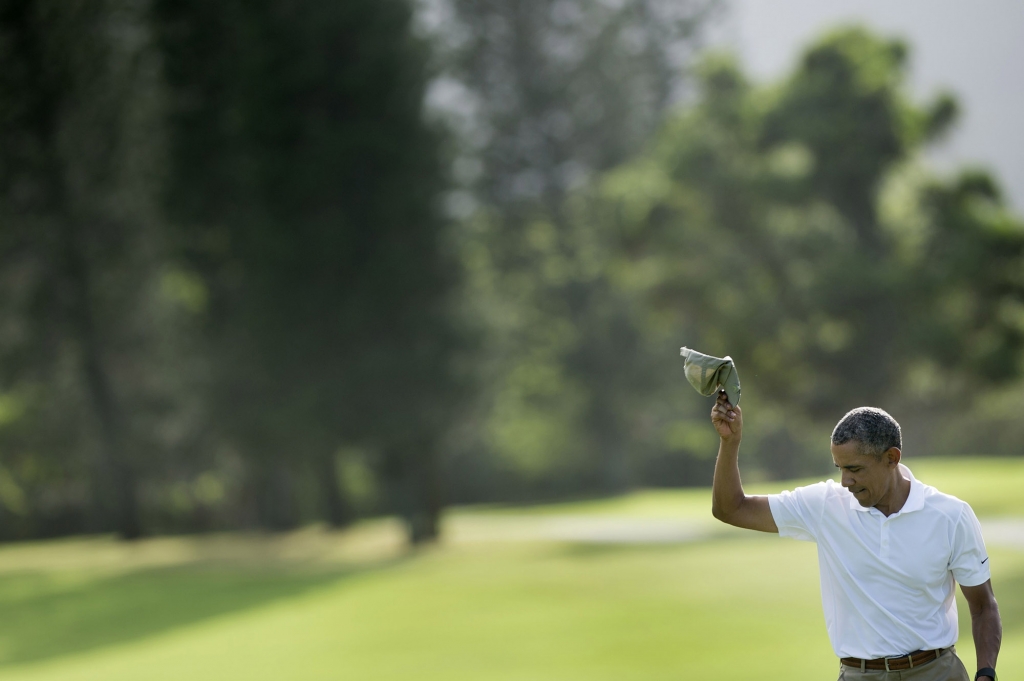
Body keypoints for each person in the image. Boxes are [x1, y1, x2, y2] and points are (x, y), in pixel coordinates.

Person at [710, 391, 1001, 680]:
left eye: (855, 469)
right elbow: (730, 509)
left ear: (891, 458)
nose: (845, 481)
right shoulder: (825, 505)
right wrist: (730, 441)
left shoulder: (951, 515)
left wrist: (986, 673)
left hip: (937, 672)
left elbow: (983, 605)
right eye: (839, 468)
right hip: (859, 674)